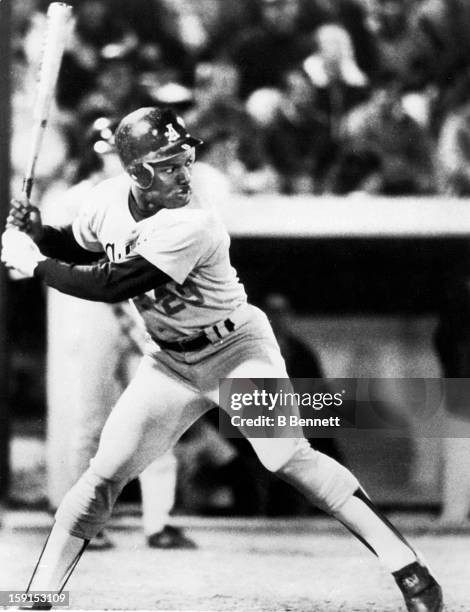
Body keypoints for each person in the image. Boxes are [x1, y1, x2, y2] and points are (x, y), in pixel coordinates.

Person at [2, 106, 442, 611]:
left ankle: (410, 571)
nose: (184, 173)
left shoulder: (192, 222)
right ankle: (35, 596)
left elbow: (111, 283)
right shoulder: (105, 202)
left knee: (286, 457)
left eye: (184, 159)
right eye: (169, 164)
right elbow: (81, 247)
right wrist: (39, 233)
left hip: (234, 351)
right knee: (103, 475)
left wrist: (33, 263)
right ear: (138, 172)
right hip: (169, 362)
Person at [43, 116, 197, 550]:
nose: (112, 161)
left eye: (116, 152)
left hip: (140, 309)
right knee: (91, 422)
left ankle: (158, 523)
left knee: (158, 419)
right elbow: (54, 256)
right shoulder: (74, 200)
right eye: (105, 153)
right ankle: (86, 523)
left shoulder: (150, 201)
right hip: (94, 314)